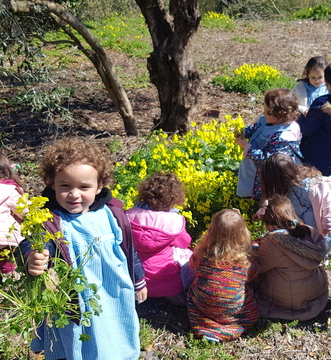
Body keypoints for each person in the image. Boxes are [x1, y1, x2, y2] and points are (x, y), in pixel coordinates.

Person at [19, 138, 147, 360]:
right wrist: (32, 258)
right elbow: (32, 243)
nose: (74, 194)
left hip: (113, 292)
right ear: (52, 184)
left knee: (116, 330)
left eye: (84, 187)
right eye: (65, 186)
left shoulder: (112, 213)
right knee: (78, 338)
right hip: (75, 299)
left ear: (99, 187)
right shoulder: (51, 218)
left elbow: (128, 249)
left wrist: (138, 279)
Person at [252, 195, 328, 321]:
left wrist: (254, 248)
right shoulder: (307, 230)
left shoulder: (272, 242)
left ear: (268, 224)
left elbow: (257, 268)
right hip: (314, 292)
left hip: (287, 301)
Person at [187, 209, 258, 342]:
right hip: (233, 312)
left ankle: (206, 326)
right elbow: (254, 274)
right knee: (247, 291)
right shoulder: (246, 260)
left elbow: (193, 266)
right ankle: (228, 328)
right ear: (242, 233)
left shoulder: (201, 254)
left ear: (212, 231)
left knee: (195, 286)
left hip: (204, 306)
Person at [126, 172, 193, 305]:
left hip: (135, 276)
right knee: (189, 254)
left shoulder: (129, 215)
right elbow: (185, 242)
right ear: (174, 198)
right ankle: (174, 294)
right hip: (165, 278)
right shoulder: (174, 221)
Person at [260, 153, 331, 250]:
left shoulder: (312, 185)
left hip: (327, 228)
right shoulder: (283, 190)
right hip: (308, 231)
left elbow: (329, 205)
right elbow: (271, 202)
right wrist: (262, 211)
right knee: (317, 248)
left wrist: (328, 223)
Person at [235, 88, 302, 199]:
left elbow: (268, 160)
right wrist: (244, 131)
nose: (264, 113)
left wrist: (245, 146)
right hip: (254, 166)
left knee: (265, 195)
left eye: (268, 112)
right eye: (264, 109)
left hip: (267, 173)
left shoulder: (284, 136)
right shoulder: (267, 120)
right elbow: (256, 129)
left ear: (281, 115)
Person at [0, 153, 24, 274]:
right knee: (6, 262)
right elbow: (23, 210)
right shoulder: (9, 191)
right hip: (4, 238)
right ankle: (10, 282)